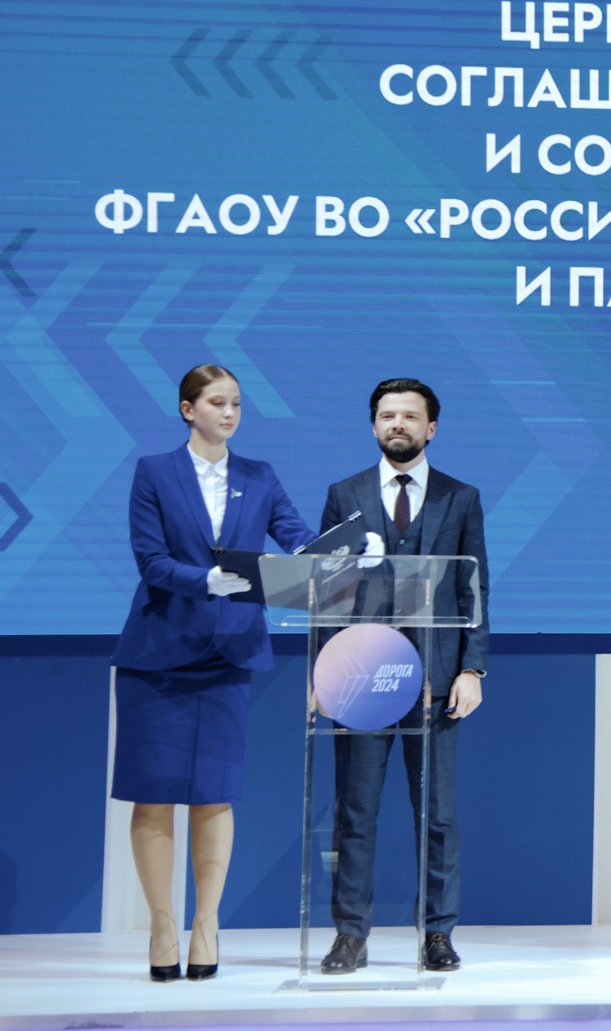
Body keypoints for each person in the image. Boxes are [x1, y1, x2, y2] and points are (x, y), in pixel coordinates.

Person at [110, 364, 317, 981]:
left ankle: (206, 924)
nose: (229, 413)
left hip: (228, 653)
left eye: (236, 404)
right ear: (188, 409)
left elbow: (297, 538)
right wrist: (204, 580)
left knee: (213, 793)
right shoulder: (154, 471)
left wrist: (338, 554)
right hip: (159, 652)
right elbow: (150, 560)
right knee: (154, 793)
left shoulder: (259, 475)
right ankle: (162, 925)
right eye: (217, 403)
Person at [318, 378, 489, 975]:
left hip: (435, 682)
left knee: (437, 815)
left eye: (410, 416)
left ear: (430, 428)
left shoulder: (460, 497)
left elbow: (474, 588)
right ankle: (349, 935)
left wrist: (472, 667)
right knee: (355, 811)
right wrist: (322, 673)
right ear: (373, 426)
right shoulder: (345, 494)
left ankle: (438, 933)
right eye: (388, 415)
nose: (398, 424)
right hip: (361, 677)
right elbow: (327, 591)